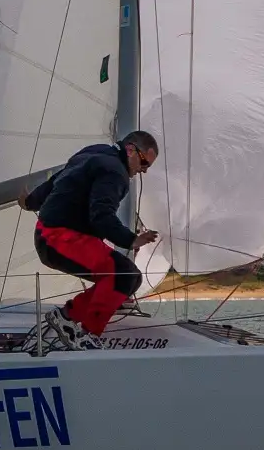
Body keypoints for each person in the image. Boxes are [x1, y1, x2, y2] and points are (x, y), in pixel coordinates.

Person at [18, 131, 160, 345]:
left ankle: (69, 316)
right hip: (60, 238)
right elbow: (101, 214)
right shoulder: (115, 173)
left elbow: (58, 180)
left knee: (129, 278)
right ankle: (89, 335)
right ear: (130, 150)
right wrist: (131, 239)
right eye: (144, 163)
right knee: (125, 275)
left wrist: (31, 202)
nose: (144, 171)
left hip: (49, 235)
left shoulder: (94, 153)